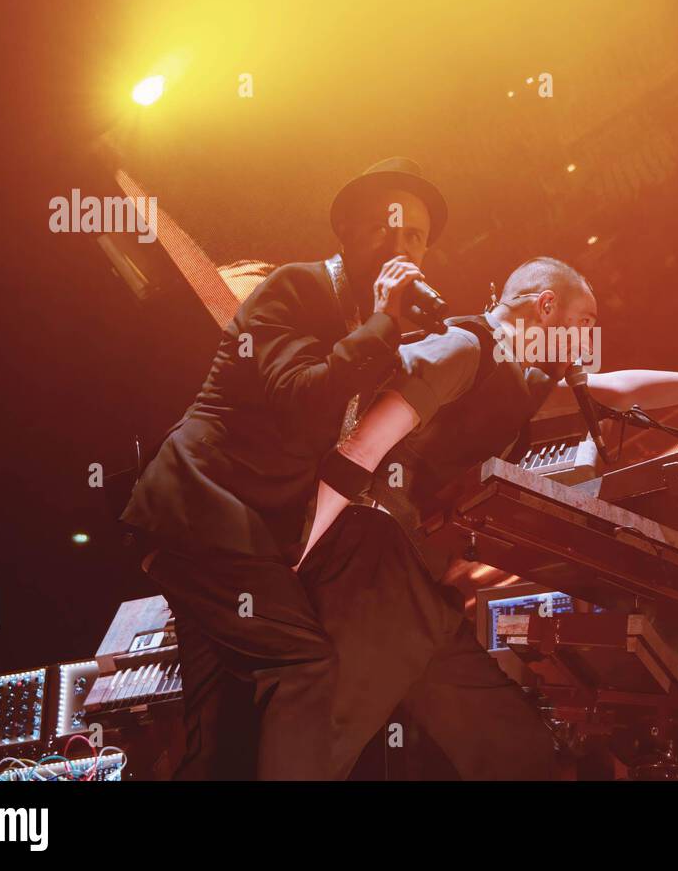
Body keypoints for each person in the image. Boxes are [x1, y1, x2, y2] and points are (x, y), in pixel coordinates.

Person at [294, 256, 678, 779]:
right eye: (584, 322)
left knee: (503, 749)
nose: (589, 338)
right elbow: (358, 452)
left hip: (410, 580)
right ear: (545, 305)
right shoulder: (463, 348)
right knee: (333, 734)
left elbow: (621, 390)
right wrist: (297, 563)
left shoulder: (517, 383)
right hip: (367, 566)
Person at [120, 157, 446, 779]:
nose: (401, 247)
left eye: (415, 237)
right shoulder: (297, 289)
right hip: (199, 509)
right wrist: (382, 326)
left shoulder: (373, 330)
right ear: (346, 231)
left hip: (224, 532)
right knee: (302, 666)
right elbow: (301, 398)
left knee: (219, 733)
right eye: (387, 227)